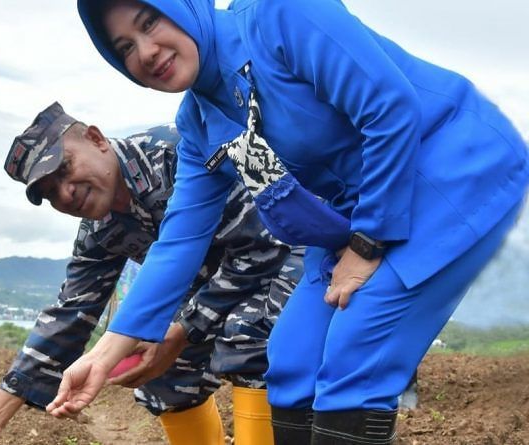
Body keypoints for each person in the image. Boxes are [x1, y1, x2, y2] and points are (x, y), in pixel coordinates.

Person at [50, 1, 529, 444]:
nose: (147, 52)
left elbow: (390, 107)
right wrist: (103, 354)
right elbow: (179, 241)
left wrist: (367, 244)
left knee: (353, 360)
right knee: (291, 361)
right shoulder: (200, 123)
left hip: (447, 170)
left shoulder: (280, 13)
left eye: (149, 21)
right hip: (351, 215)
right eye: (125, 48)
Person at [0, 102, 302, 445]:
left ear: (96, 138)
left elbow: (265, 247)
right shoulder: (99, 229)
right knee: (158, 369)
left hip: (293, 248)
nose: (65, 193)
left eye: (64, 169)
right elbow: (69, 316)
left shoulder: (177, 153)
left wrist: (182, 331)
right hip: (220, 285)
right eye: (49, 194)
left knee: (248, 332)